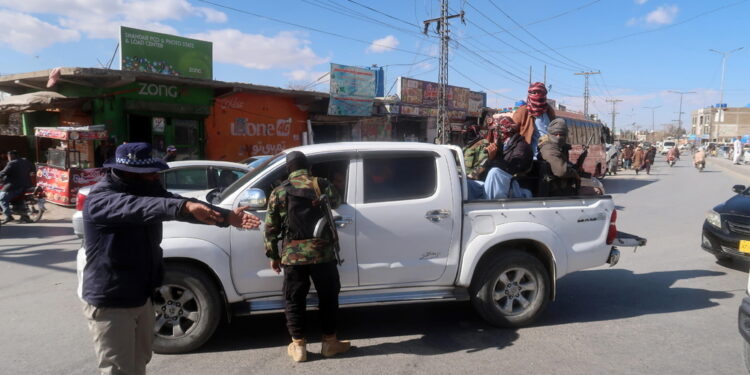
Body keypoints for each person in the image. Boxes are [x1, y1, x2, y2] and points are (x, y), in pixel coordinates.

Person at [81, 142, 261, 375]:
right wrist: (184, 206)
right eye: (150, 173)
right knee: (118, 370)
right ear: (129, 173)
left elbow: (180, 204)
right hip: (111, 301)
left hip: (141, 296)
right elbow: (143, 207)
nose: (156, 177)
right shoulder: (102, 199)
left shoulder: (145, 189)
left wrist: (227, 217)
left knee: (139, 362)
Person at [264, 151, 350, 363]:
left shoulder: (279, 191)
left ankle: (299, 346)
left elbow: (271, 228)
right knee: (328, 297)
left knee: (294, 299)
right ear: (308, 168)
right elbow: (337, 202)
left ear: (288, 170)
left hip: (293, 257)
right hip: (322, 252)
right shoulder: (321, 184)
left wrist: (273, 255)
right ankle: (330, 343)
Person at [480, 116, 533, 199]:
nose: (494, 134)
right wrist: (490, 158)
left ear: (503, 131)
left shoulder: (521, 147)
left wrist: (494, 159)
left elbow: (511, 169)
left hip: (516, 185)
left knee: (495, 173)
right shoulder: (503, 145)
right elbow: (485, 173)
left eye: (496, 131)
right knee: (469, 185)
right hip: (501, 184)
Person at [537, 118, 580, 196]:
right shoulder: (549, 148)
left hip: (560, 187)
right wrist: (574, 173)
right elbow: (561, 171)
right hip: (554, 191)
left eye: (561, 134)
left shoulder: (559, 147)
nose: (558, 137)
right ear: (550, 134)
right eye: (555, 134)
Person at [512, 82, 556, 158]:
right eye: (534, 93)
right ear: (529, 94)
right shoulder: (522, 111)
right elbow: (512, 132)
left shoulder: (549, 111)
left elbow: (555, 130)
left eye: (539, 93)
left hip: (549, 153)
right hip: (528, 156)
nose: (537, 95)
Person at [0, 150, 36, 223]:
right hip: (26, 185)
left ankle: (8, 216)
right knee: (18, 200)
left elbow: (3, 173)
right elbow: (33, 168)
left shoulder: (12, 163)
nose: (8, 158)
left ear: (12, 156)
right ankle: (24, 217)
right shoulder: (25, 161)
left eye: (9, 156)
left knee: (2, 198)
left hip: (14, 186)